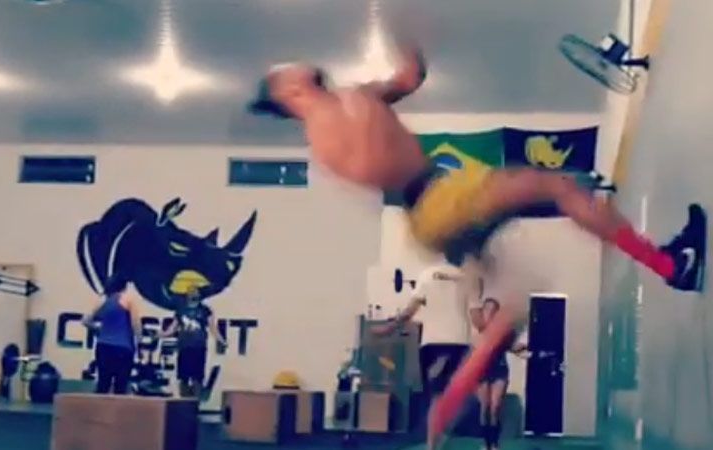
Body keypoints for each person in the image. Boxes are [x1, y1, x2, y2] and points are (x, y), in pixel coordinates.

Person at [247, 34, 706, 449]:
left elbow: (410, 77)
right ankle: (671, 265)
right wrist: (369, 103)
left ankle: (441, 414)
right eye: (286, 71)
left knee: (508, 314)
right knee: (558, 187)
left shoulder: (345, 110)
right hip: (437, 199)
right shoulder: (331, 129)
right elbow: (379, 161)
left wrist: (407, 37)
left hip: (431, 214)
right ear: (288, 92)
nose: (295, 64)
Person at [372, 262, 481, 406]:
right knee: (456, 392)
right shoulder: (468, 278)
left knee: (431, 392)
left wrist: (388, 328)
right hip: (459, 342)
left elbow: (409, 312)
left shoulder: (427, 275)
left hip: (432, 342)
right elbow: (477, 319)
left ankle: (431, 416)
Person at [474, 298, 529, 450]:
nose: (490, 313)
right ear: (482, 312)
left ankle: (494, 443)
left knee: (495, 406)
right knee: (484, 407)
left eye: (493, 310)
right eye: (487, 310)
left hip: (499, 369)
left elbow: (512, 347)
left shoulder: (504, 331)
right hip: (482, 371)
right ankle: (486, 443)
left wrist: (525, 349)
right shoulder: (478, 329)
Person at [82, 274, 142, 395]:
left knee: (103, 384)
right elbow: (135, 323)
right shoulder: (127, 300)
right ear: (124, 287)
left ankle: (99, 407)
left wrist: (99, 328)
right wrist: (139, 340)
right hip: (123, 348)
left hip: (103, 346)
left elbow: (85, 321)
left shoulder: (103, 300)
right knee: (121, 386)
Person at [161, 289, 226, 398]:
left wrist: (221, 340)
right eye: (191, 293)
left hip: (199, 348)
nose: (193, 295)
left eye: (196, 293)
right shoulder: (181, 310)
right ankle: (184, 401)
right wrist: (160, 334)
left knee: (198, 377)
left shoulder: (205, 310)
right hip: (184, 348)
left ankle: (196, 400)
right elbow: (172, 329)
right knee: (183, 378)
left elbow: (213, 328)